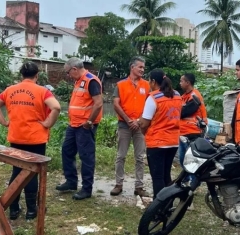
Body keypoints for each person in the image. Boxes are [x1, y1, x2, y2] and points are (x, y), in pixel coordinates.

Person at [0, 62, 61, 220]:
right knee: (32, 174)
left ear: (21, 75)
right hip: (36, 138)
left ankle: (13, 209)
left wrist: (3, 121)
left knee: (17, 171)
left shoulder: (10, 90)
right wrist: (48, 123)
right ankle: (31, 210)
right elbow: (56, 107)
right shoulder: (43, 91)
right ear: (37, 76)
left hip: (16, 137)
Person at [56, 57, 103, 200]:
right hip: (74, 124)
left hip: (85, 126)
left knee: (86, 156)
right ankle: (71, 182)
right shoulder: (78, 81)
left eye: (68, 72)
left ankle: (86, 189)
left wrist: (89, 121)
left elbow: (98, 103)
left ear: (74, 69)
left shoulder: (91, 80)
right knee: (67, 151)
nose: (68, 75)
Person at [138, 69, 182, 199]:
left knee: (157, 177)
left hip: (157, 142)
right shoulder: (177, 95)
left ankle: (159, 207)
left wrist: (143, 131)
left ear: (153, 81)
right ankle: (168, 203)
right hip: (173, 141)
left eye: (149, 81)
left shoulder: (153, 98)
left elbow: (144, 123)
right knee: (166, 174)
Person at [110, 56, 150, 197]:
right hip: (124, 125)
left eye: (143, 68)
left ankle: (139, 186)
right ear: (132, 67)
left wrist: (138, 121)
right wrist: (128, 120)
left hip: (140, 126)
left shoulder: (146, 85)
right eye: (140, 67)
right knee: (121, 156)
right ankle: (118, 184)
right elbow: (116, 104)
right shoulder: (120, 85)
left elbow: (149, 105)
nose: (142, 70)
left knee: (140, 157)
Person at [178, 73, 208, 166]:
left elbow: (183, 112)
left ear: (188, 83)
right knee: (183, 159)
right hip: (184, 132)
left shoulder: (194, 96)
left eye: (181, 81)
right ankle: (186, 179)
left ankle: (192, 179)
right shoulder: (184, 96)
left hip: (193, 131)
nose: (180, 83)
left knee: (191, 160)